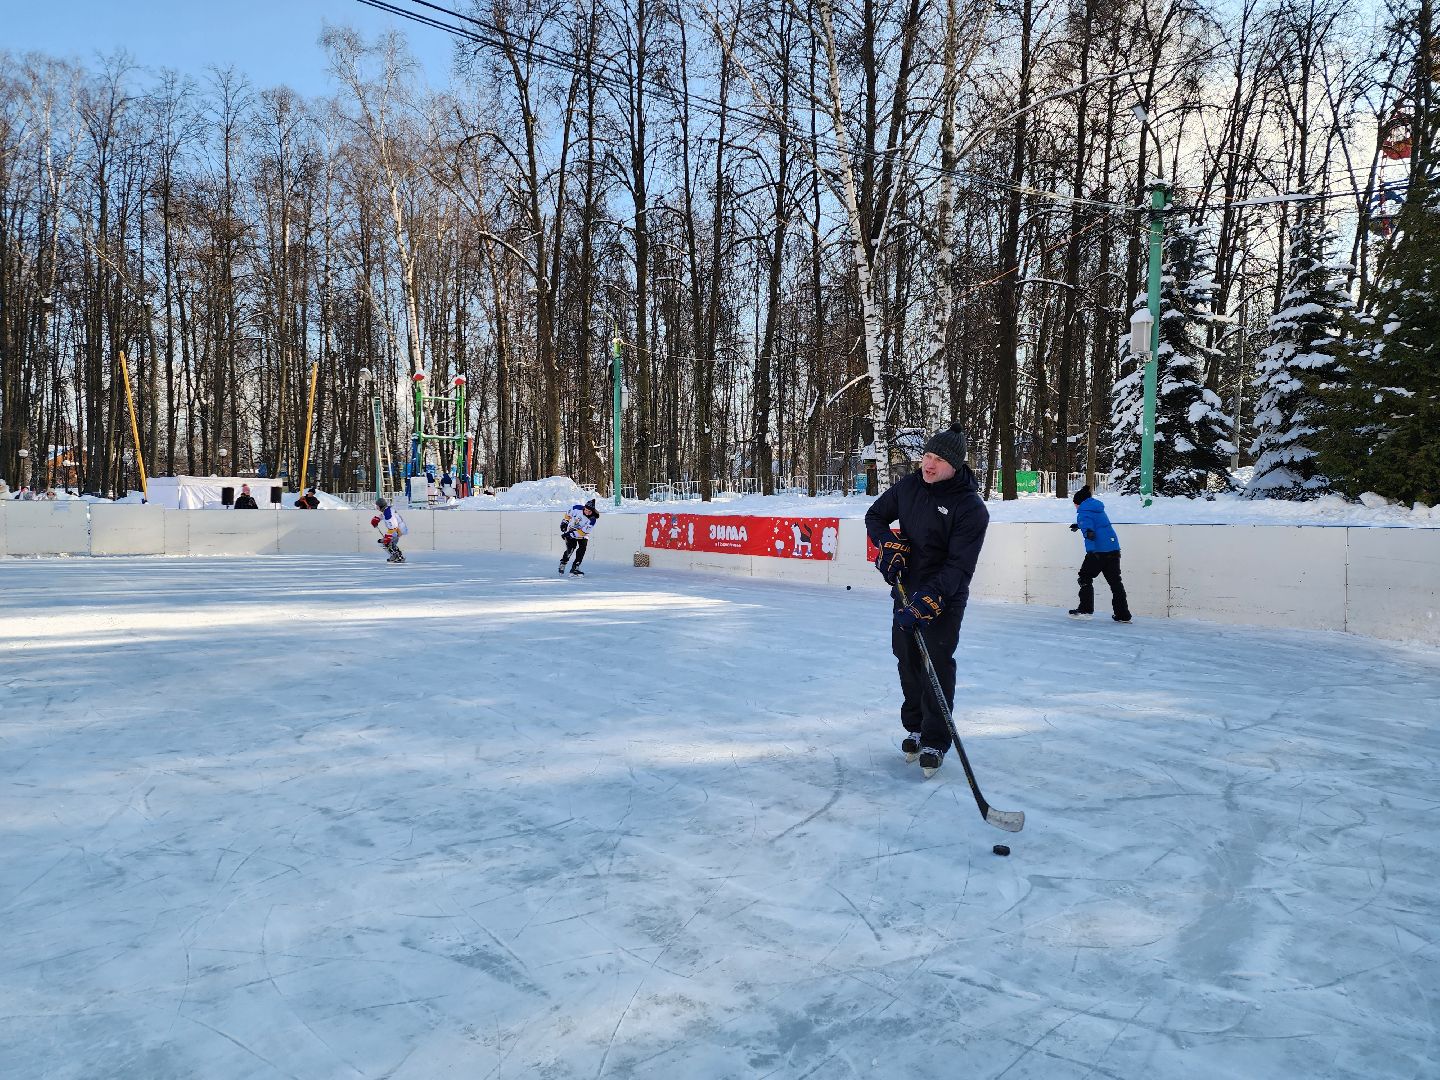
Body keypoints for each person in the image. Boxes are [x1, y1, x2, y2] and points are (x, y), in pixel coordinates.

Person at [864, 423, 989, 778]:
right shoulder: (909, 486)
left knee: (936, 662)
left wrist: (931, 596)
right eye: (927, 456)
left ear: (956, 465)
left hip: (943, 597)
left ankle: (936, 739)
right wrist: (888, 544)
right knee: (906, 658)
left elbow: (960, 566)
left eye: (938, 459)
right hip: (905, 587)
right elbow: (875, 516)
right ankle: (916, 727)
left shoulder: (970, 508)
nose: (928, 465)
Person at [1068, 485, 1131, 622]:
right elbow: (1095, 523)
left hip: (1098, 552)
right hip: (1114, 550)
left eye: (1075, 504)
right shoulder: (1098, 509)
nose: (1075, 507)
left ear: (1079, 503)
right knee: (1115, 583)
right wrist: (1078, 525)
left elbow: (1089, 528)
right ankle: (1123, 615)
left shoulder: (1083, 512)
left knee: (1084, 578)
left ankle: (1085, 610)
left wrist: (1088, 538)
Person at [558, 498, 601, 576]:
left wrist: (569, 534)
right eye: (586, 510)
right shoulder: (577, 508)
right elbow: (568, 514)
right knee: (571, 548)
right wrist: (565, 522)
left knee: (582, 549)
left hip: (583, 533)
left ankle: (575, 567)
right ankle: (563, 562)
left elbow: (582, 532)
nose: (587, 512)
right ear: (584, 508)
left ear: (592, 511)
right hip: (571, 528)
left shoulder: (592, 520)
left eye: (589, 511)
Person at [371, 497, 408, 563]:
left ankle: (399, 557)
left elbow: (393, 525)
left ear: (380, 506)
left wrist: (388, 536)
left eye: (377, 506)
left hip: (397, 530)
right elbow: (384, 516)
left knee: (386, 542)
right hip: (398, 528)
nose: (376, 507)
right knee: (389, 543)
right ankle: (395, 556)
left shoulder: (388, 513)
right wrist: (377, 519)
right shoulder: (387, 509)